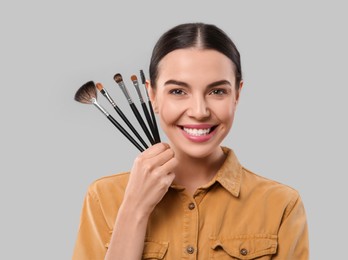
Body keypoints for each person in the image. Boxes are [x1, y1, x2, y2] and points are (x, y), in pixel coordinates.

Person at [72, 22, 309, 260]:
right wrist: (134, 210)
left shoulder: (281, 206)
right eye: (178, 91)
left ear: (237, 94)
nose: (199, 111)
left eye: (217, 91)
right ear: (152, 95)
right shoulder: (103, 198)